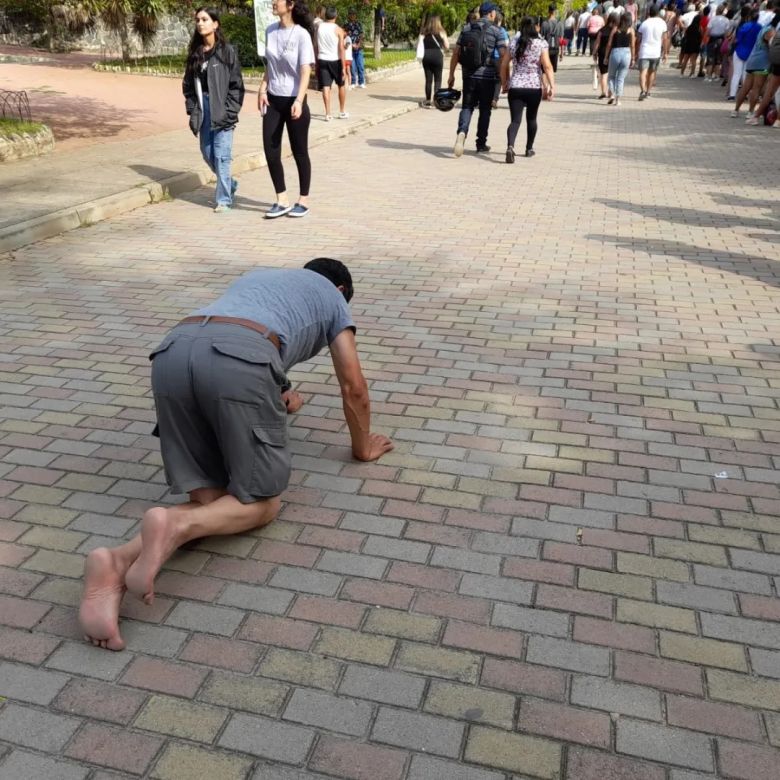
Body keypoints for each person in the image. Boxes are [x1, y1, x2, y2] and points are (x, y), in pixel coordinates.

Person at [78, 259, 394, 651]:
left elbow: (237, 337)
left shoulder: (262, 278)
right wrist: (362, 448)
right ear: (342, 290)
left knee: (213, 502)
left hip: (173, 351)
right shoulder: (333, 299)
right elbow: (354, 385)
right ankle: (170, 527)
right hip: (238, 362)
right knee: (260, 504)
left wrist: (278, 396)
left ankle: (116, 563)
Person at [182, 7, 245, 214]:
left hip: (223, 108)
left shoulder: (227, 52)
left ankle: (224, 199)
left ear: (215, 24)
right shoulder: (195, 54)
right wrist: (192, 110)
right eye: (198, 19)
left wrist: (230, 111)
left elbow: (236, 85)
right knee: (208, 153)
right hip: (203, 109)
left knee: (222, 156)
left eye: (205, 19)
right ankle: (230, 183)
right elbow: (188, 86)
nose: (200, 23)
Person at [258, 0, 315, 219]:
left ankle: (303, 199)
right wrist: (263, 89)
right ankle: (281, 199)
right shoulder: (271, 31)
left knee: (299, 151)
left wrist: (299, 101)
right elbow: (270, 67)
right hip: (273, 99)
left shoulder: (302, 35)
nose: (273, 2)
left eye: (277, 0)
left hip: (294, 100)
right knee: (270, 149)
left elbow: (305, 71)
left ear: (290, 5)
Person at [448, 1, 507, 157]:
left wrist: (451, 74)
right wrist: (504, 77)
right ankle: (481, 143)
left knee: (467, 107)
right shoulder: (497, 30)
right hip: (487, 77)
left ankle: (461, 132)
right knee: (485, 110)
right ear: (491, 13)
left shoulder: (467, 28)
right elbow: (502, 56)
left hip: (468, 76)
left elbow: (456, 53)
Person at [500, 15, 555, 162]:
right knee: (531, 118)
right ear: (536, 27)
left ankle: (510, 146)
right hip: (533, 87)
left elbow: (504, 64)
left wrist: (505, 83)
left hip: (516, 86)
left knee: (515, 120)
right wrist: (551, 86)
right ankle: (529, 148)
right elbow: (547, 66)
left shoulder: (513, 42)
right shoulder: (541, 43)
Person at [733, 17, 774, 118]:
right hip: (762, 62)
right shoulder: (771, 31)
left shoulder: (763, 28)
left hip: (752, 59)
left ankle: (736, 110)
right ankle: (750, 112)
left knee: (746, 87)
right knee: (756, 88)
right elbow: (771, 46)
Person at [316, 6, 349, 120]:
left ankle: (328, 114)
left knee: (326, 86)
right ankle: (342, 111)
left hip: (322, 59)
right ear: (336, 16)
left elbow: (316, 45)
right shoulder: (338, 29)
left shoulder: (319, 27)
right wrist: (344, 67)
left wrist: (316, 60)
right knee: (341, 85)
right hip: (335, 60)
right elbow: (341, 49)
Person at [729, 7, 762, 98]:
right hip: (751, 53)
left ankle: (732, 94)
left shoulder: (745, 26)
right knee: (745, 74)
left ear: (750, 17)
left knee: (736, 74)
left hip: (740, 51)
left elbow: (738, 39)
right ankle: (745, 94)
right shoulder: (760, 27)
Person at [637, 5, 669, 98]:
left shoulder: (644, 23)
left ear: (649, 13)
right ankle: (648, 92)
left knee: (643, 72)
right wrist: (665, 53)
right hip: (656, 52)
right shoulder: (662, 23)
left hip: (644, 51)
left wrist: (636, 52)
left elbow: (638, 39)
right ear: (658, 13)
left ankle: (642, 90)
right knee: (652, 72)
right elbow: (665, 39)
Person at [419, 14, 450, 108]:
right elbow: (447, 46)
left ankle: (428, 100)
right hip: (437, 56)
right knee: (438, 79)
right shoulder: (442, 32)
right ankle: (436, 101)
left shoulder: (423, 32)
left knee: (428, 80)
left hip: (426, 56)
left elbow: (419, 45)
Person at [606, 11, 636, 103]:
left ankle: (613, 94)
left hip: (615, 52)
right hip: (626, 53)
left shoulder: (615, 29)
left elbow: (609, 44)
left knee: (611, 76)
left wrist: (606, 57)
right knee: (621, 78)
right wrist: (633, 58)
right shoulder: (631, 30)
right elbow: (633, 45)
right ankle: (618, 100)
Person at [594, 12, 618, 98]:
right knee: (613, 74)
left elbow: (597, 43)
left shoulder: (602, 30)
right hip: (613, 53)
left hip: (602, 53)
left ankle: (603, 92)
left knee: (603, 74)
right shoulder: (616, 30)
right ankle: (610, 92)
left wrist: (594, 52)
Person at [705, 4, 730, 80]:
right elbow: (727, 33)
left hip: (712, 38)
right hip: (721, 39)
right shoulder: (726, 20)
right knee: (718, 58)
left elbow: (708, 31)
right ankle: (717, 75)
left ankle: (708, 76)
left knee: (710, 57)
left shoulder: (712, 19)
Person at [344, 8, 366, 88]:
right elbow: (344, 36)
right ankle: (353, 82)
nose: (352, 16)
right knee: (352, 67)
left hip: (359, 48)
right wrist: (350, 45)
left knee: (360, 65)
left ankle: (361, 82)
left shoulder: (358, 24)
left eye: (354, 14)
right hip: (350, 49)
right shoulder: (346, 25)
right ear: (348, 15)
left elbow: (362, 35)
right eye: (351, 14)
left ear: (355, 15)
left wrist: (359, 44)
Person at [679, 6, 703, 76]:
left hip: (688, 44)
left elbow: (686, 34)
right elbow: (701, 36)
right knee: (693, 60)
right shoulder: (699, 28)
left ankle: (682, 73)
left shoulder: (690, 27)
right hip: (696, 45)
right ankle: (692, 74)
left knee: (685, 59)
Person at [541, 4, 565, 71]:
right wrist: (562, 53)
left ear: (548, 11)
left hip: (546, 49)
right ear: (555, 11)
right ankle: (551, 81)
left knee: (545, 69)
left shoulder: (544, 24)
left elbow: (541, 39)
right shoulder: (560, 24)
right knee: (552, 70)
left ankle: (546, 81)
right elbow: (561, 40)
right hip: (556, 49)